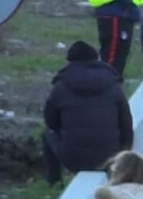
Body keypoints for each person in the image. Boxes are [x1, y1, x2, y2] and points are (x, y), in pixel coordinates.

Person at [43, 41, 135, 184]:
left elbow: (50, 121)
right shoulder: (113, 85)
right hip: (110, 157)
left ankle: (53, 180)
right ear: (96, 58)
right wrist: (123, 150)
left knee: (46, 134)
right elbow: (126, 123)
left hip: (74, 159)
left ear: (70, 61)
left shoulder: (61, 86)